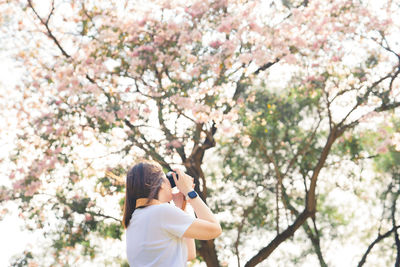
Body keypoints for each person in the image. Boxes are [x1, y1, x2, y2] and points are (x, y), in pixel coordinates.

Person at [122, 160, 222, 267]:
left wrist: (181, 209)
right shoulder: (160, 212)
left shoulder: (133, 220)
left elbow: (189, 254)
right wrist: (189, 192)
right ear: (161, 184)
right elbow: (215, 229)